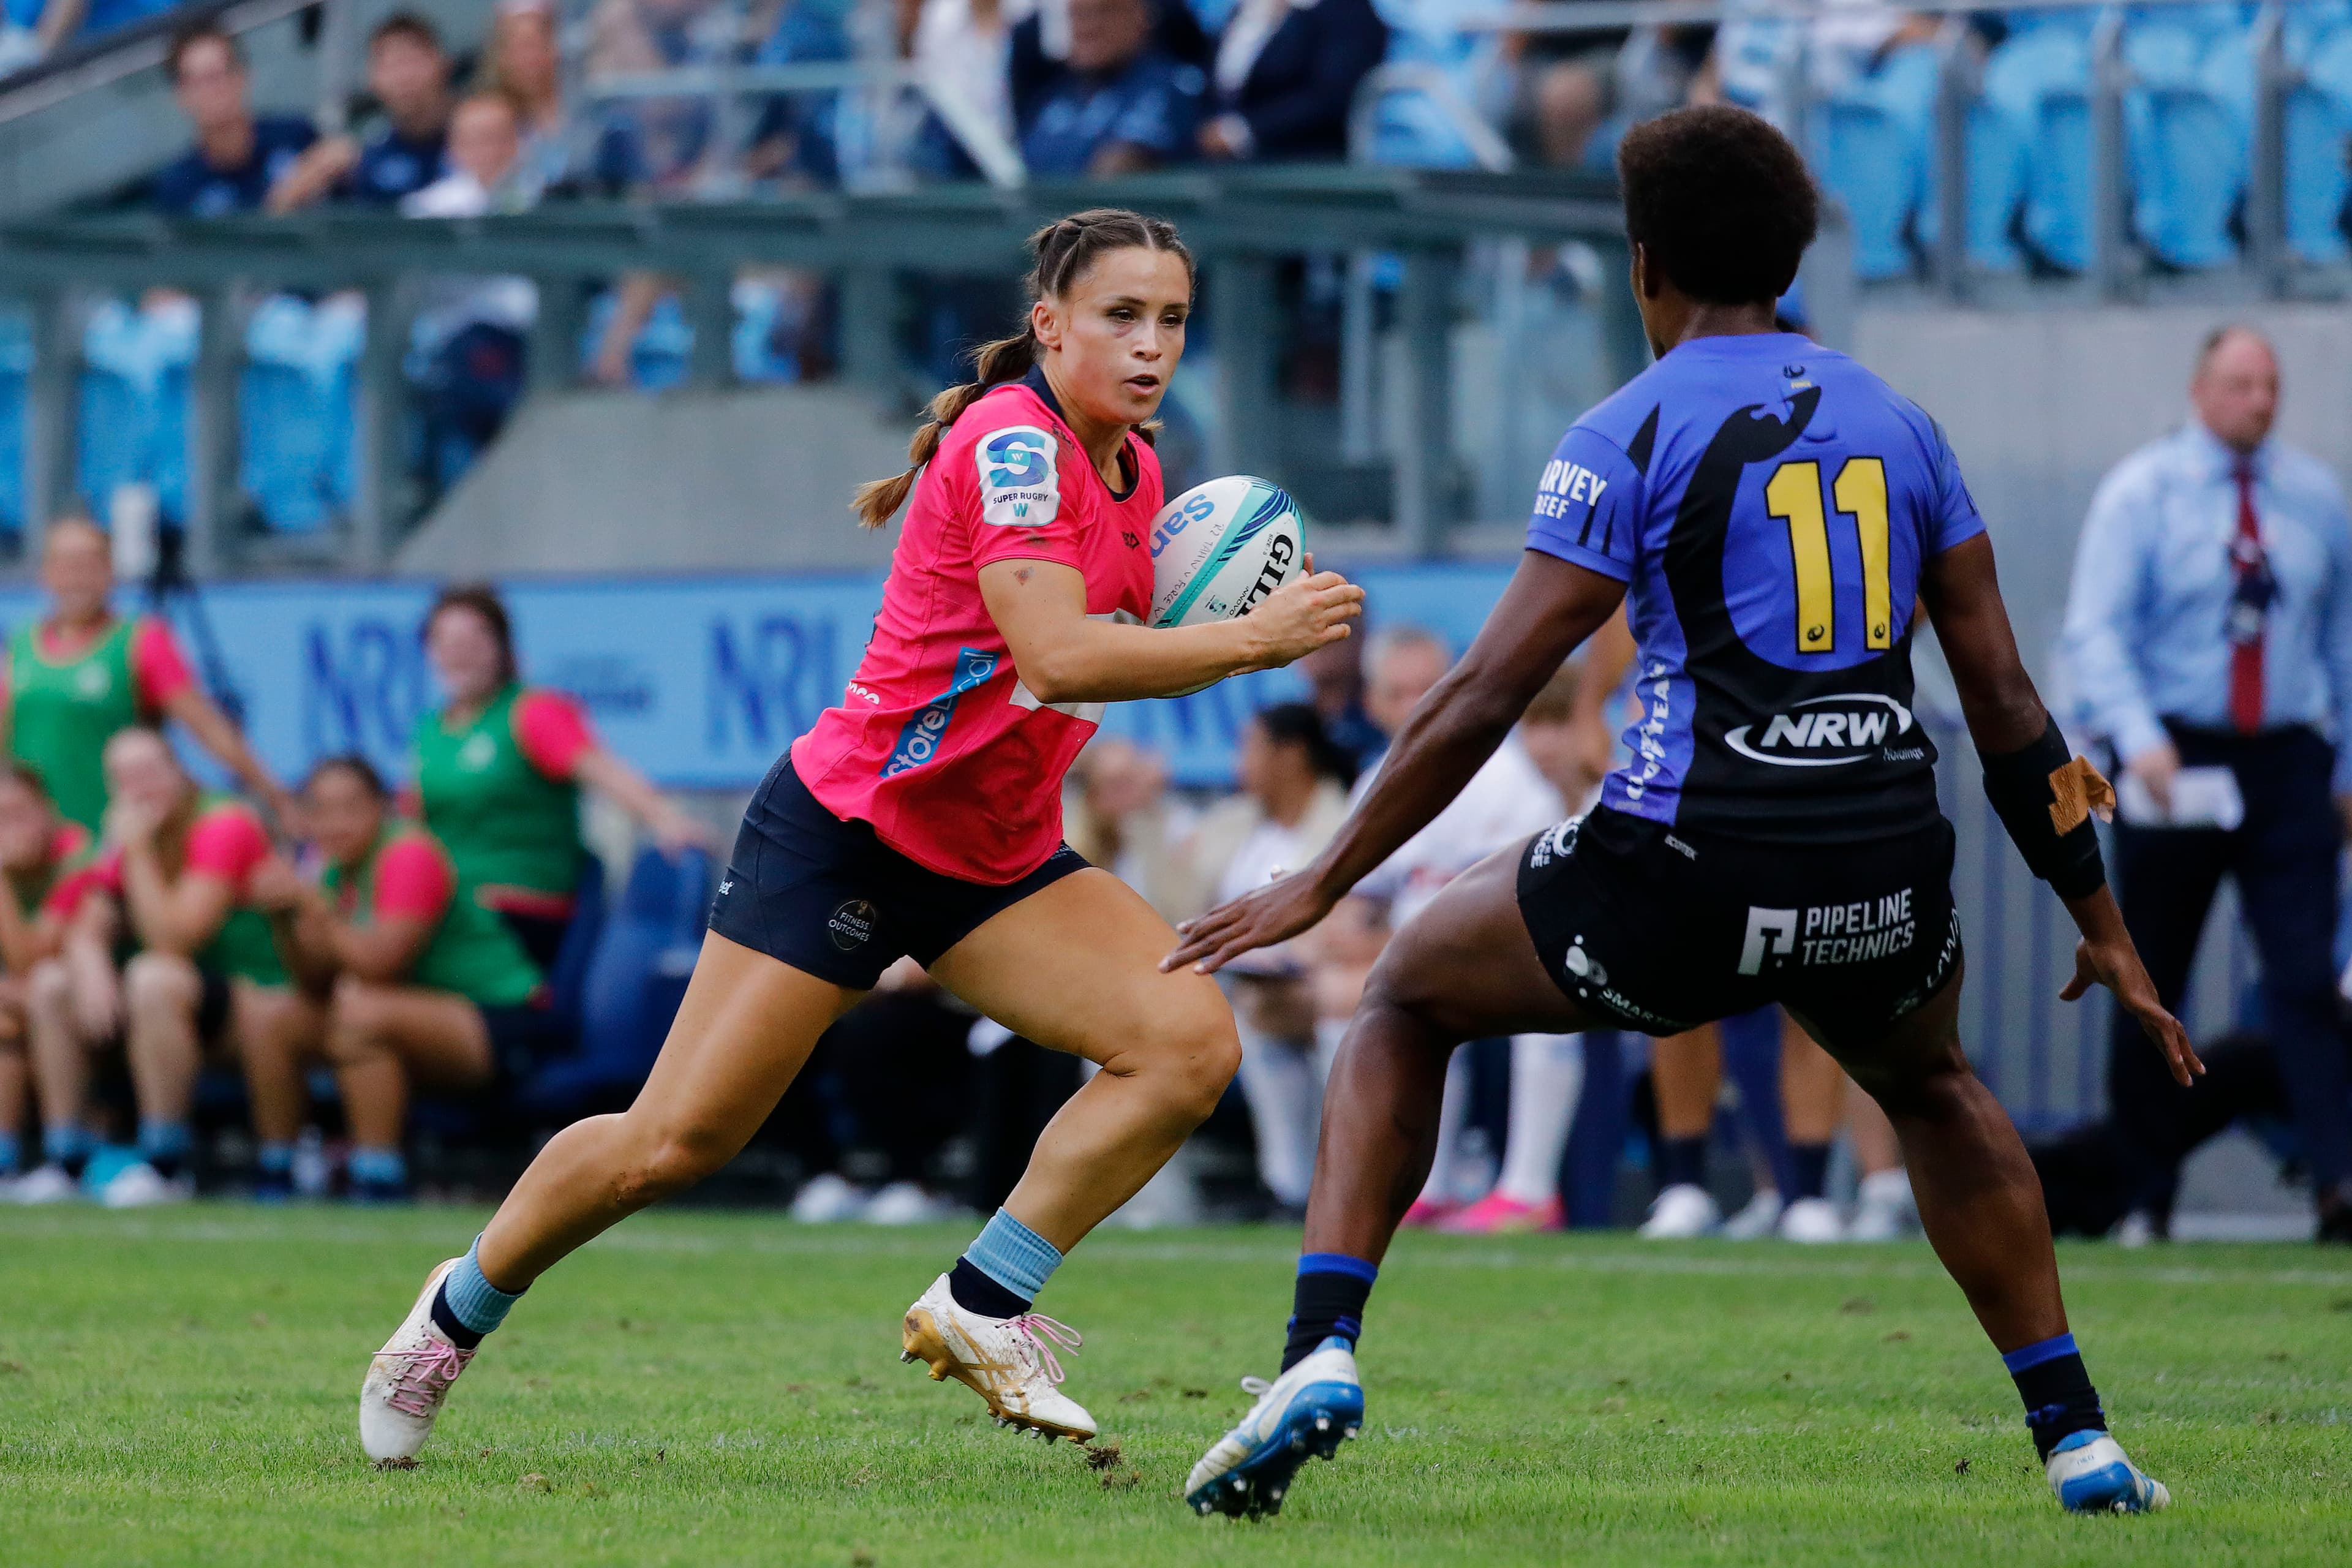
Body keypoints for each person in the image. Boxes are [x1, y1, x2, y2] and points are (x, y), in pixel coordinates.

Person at [1174, 106, 2190, 1520]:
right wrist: (2102, 919)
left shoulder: (1624, 427)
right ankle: (2075, 1432)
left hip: (1678, 864)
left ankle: (1314, 1350)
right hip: (1881, 863)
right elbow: (2013, 705)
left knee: (1404, 986)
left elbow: (1479, 692)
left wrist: (1324, 874)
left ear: (1642, 265)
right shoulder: (1901, 424)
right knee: (1936, 1085)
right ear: (1785, 259)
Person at [353, 209, 1363, 1465]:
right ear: (1049, 326)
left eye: (1170, 320)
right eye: (1120, 316)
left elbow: (1087, 664)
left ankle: (985, 1300)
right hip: (850, 833)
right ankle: (453, 1313)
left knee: (1183, 1041)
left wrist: (1212, 626)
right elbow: (1057, 651)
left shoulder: (1140, 470)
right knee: (675, 1141)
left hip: (992, 855)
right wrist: (1251, 640)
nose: (1150, 344)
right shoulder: (1013, 445)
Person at [2059, 324, 2352, 1245]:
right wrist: (2140, 741)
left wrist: (2345, 765)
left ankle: (2339, 1184)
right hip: (2176, 759)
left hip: (2285, 758)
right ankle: (2146, 1192)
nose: (2258, 402)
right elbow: (2095, 632)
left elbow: (2341, 643)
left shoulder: (2316, 500)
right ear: (2200, 390)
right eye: (2239, 384)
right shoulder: (2142, 495)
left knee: (2308, 979)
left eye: (2269, 386)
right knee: (2152, 979)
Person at [20, 728, 306, 1207]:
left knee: (152, 976)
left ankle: (165, 1164)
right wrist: (89, 959)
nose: (140, 788)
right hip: (177, 1008)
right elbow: (87, 926)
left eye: (151, 772)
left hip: (257, 1002)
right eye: (125, 778)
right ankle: (65, 1160)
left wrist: (135, 851)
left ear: (180, 770)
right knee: (51, 984)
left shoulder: (223, 823)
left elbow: (175, 940)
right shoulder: (135, 835)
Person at [252, 756, 552, 1203]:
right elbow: (314, 985)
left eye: (351, 807)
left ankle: (378, 1177)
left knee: (358, 1015)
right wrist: (283, 920)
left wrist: (316, 909)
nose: (337, 823)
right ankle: (275, 1172)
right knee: (276, 1017)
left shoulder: (409, 853)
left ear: (382, 807)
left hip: (505, 1018)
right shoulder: (337, 870)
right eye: (322, 810)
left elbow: (379, 967)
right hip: (413, 1015)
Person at [411, 583, 706, 971]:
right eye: (445, 641)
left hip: (519, 910)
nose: (459, 652)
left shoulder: (532, 711)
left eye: (473, 638)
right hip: (447, 910)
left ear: (502, 647)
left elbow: (603, 771)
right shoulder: (430, 731)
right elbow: (412, 827)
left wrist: (666, 820)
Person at [2, 518, 294, 838]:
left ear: (110, 571)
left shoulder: (142, 641)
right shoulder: (21, 645)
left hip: (115, 838)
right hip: (40, 848)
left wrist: (275, 795)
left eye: (89, 563)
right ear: (47, 573)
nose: (77, 575)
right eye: (67, 564)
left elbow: (206, 726)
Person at [1193, 704, 1354, 1213]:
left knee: (1276, 1007)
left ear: (1291, 756)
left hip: (1318, 978)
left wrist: (1288, 958)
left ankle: (1335, 1175)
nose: (1242, 762)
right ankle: (1287, 1183)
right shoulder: (1236, 825)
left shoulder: (1342, 820)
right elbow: (1179, 902)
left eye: (1252, 748)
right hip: (1241, 983)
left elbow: (1349, 917)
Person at [0, 764, 86, 1189]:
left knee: (44, 990)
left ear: (49, 811)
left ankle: (66, 1157)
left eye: (21, 814)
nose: (10, 830)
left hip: (89, 1009)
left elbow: (29, 961)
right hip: (16, 1006)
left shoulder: (77, 854)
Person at [269, 14, 453, 212]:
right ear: (372, 79)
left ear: (443, 64)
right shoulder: (365, 154)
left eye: (413, 61)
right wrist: (316, 171)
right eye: (392, 66)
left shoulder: (480, 133)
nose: (404, 78)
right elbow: (277, 210)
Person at [150, 21, 318, 218]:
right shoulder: (178, 188)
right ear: (181, 94)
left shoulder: (296, 135)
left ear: (243, 75)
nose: (217, 89)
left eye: (223, 72)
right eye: (201, 80)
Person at [1018, 0, 1204, 178]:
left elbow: (1120, 169)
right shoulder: (1052, 97)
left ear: (1141, 16)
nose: (1088, 28)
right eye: (1078, 15)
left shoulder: (1170, 87)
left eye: (1105, 10)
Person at [1197, 0, 1386, 163]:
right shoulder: (1245, 11)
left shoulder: (1347, 11)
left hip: (1305, 167)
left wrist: (1240, 132)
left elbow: (1330, 97)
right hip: (1224, 170)